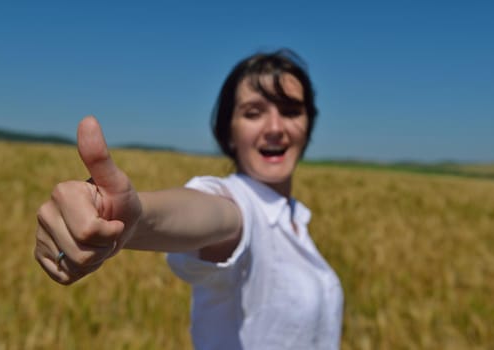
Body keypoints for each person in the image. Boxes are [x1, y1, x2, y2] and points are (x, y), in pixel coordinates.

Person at [34, 49, 344, 349]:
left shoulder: (295, 219)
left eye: (291, 111)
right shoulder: (241, 205)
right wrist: (137, 217)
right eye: (253, 113)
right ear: (229, 131)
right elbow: (210, 214)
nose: (275, 128)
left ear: (308, 125)